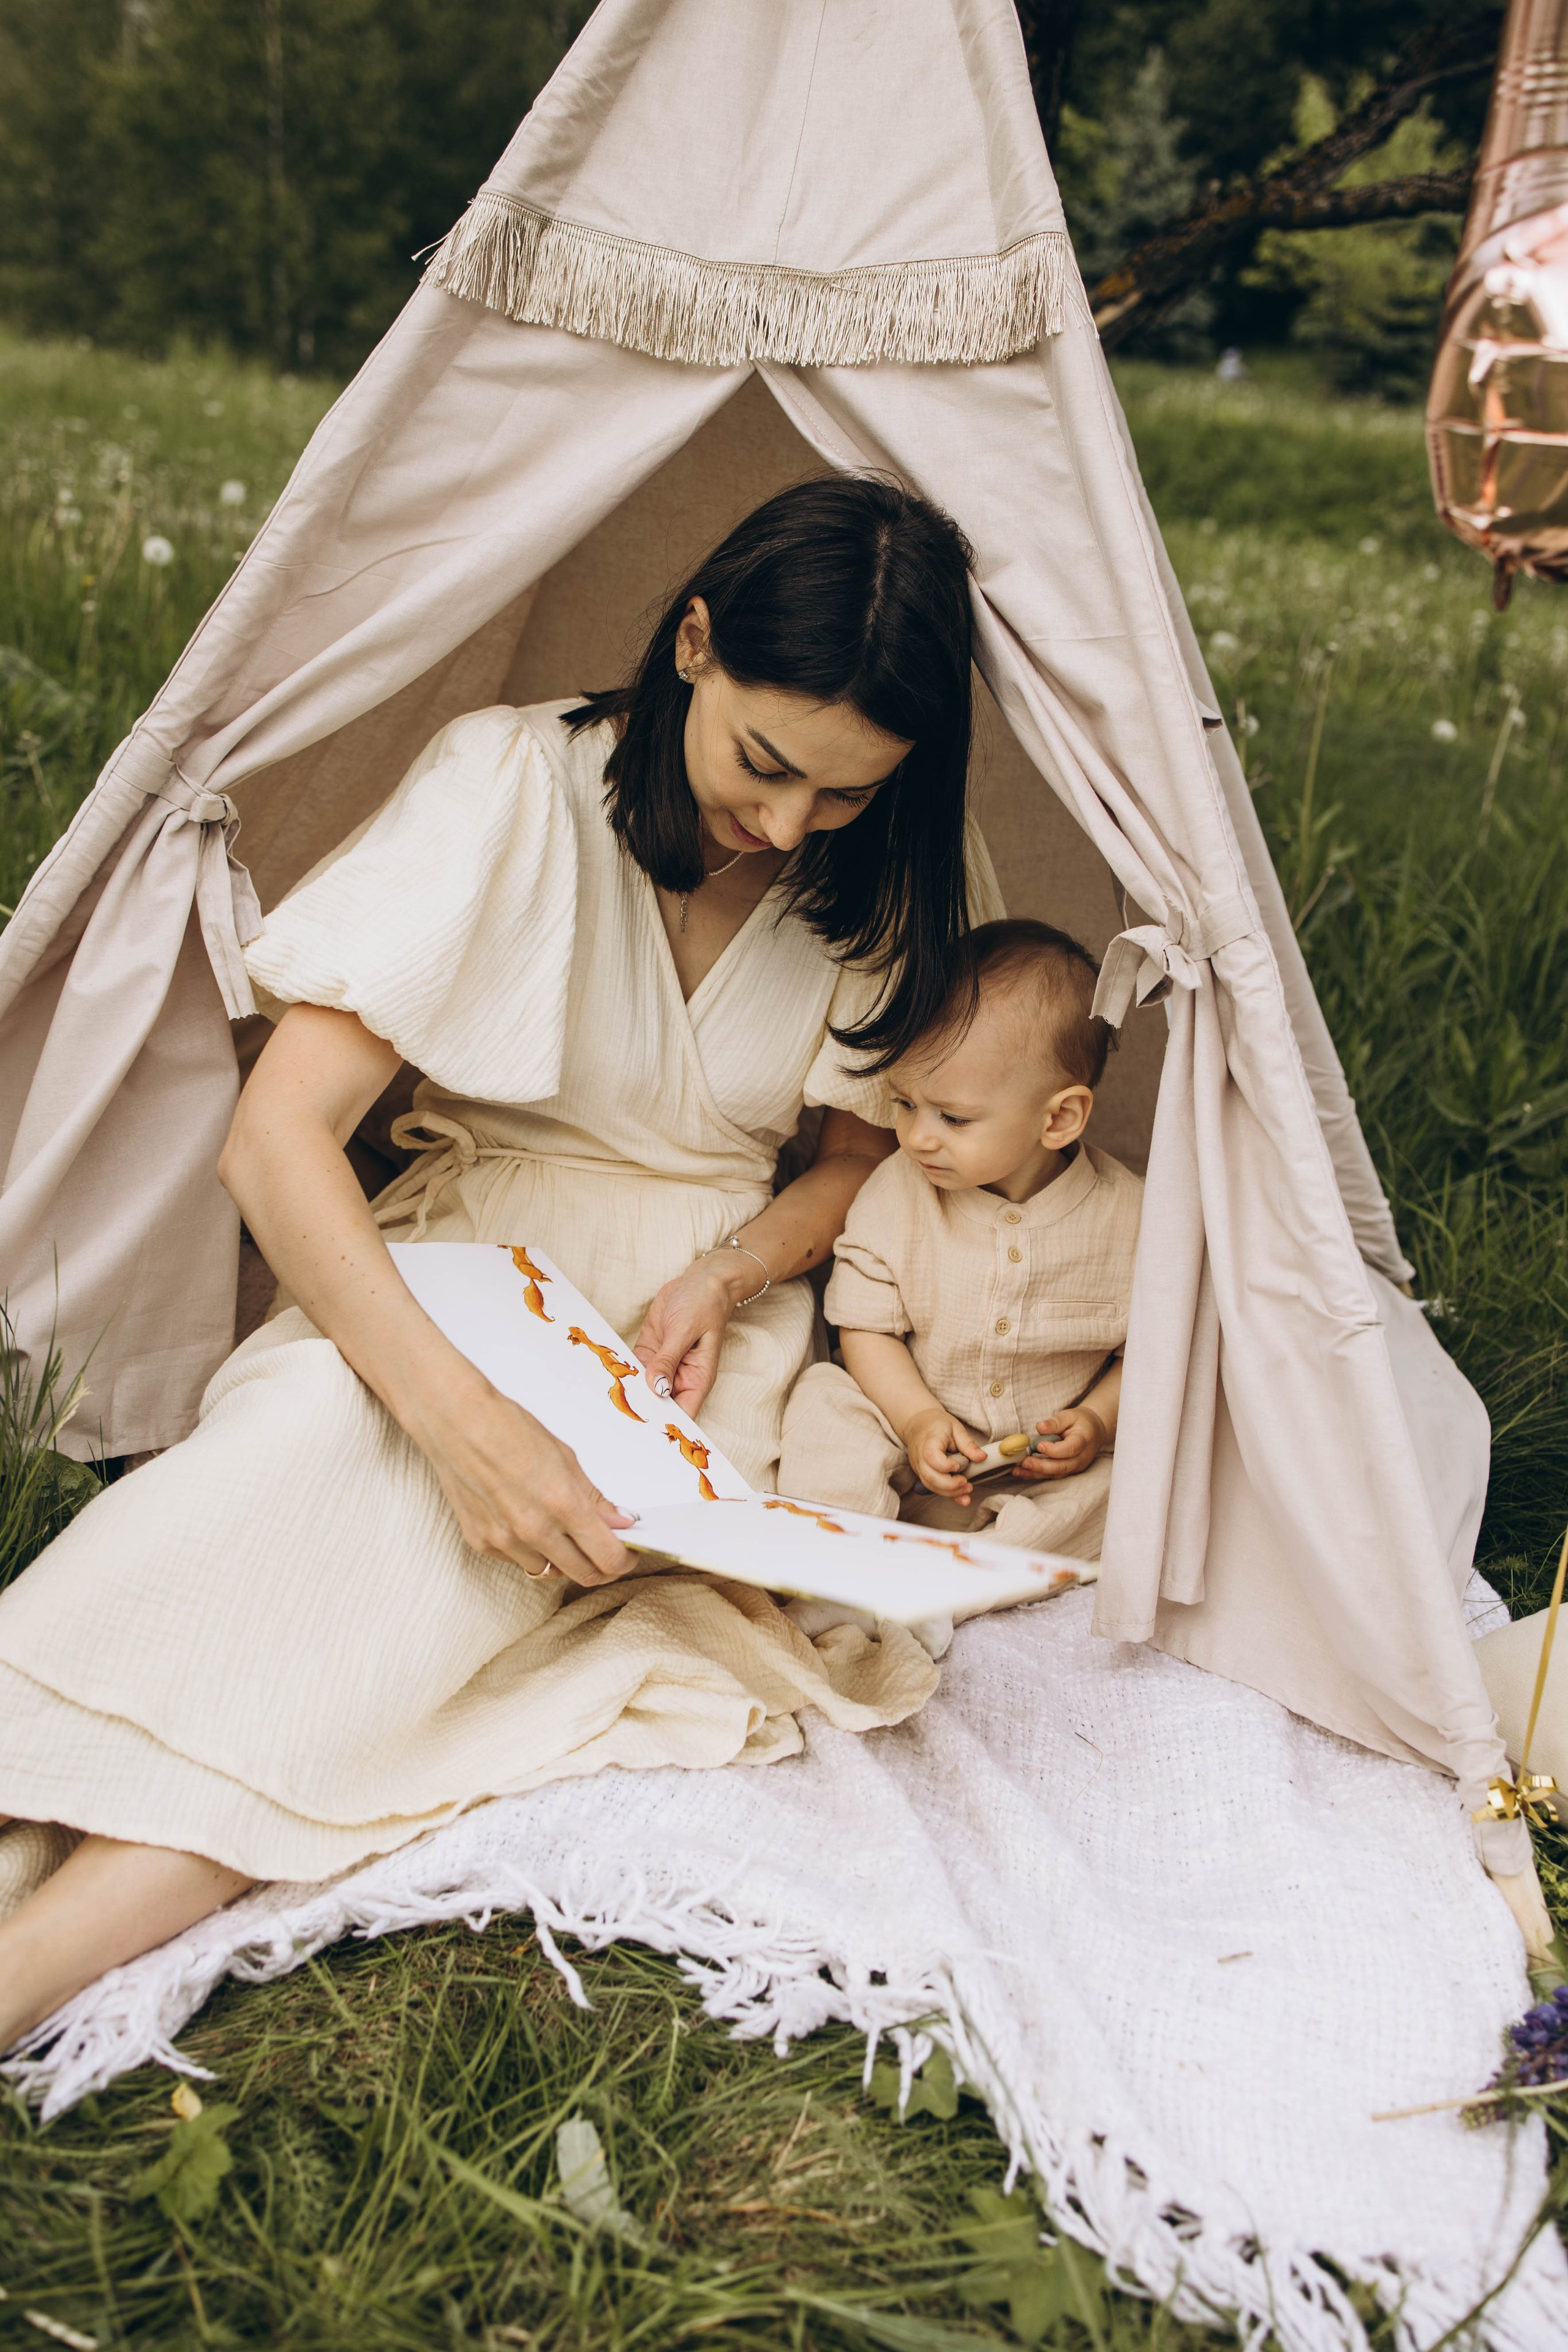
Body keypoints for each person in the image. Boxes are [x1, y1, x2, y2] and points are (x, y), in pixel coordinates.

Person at [0, 476, 1005, 2049]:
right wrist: (466, 1424)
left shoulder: (882, 873)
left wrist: (731, 1273)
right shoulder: (514, 785)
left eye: (843, 793)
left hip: (682, 1344)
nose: (787, 825)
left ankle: (25, 1973)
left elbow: (854, 1159)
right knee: (259, 1484)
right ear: (692, 642)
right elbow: (277, 1138)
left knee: (387, 1633)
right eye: (764, 763)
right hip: (452, 1276)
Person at [778, 920, 1142, 1567]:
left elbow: (1145, 1354)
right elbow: (865, 1328)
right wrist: (916, 1418)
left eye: (952, 1117)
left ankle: (978, 1568)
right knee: (825, 1404)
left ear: (1059, 1118)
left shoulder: (1133, 1220)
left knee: (1135, 1487)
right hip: (914, 1434)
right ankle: (845, 1557)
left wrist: (1096, 1421)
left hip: (1047, 1468)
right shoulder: (896, 1193)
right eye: (904, 1104)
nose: (918, 1136)